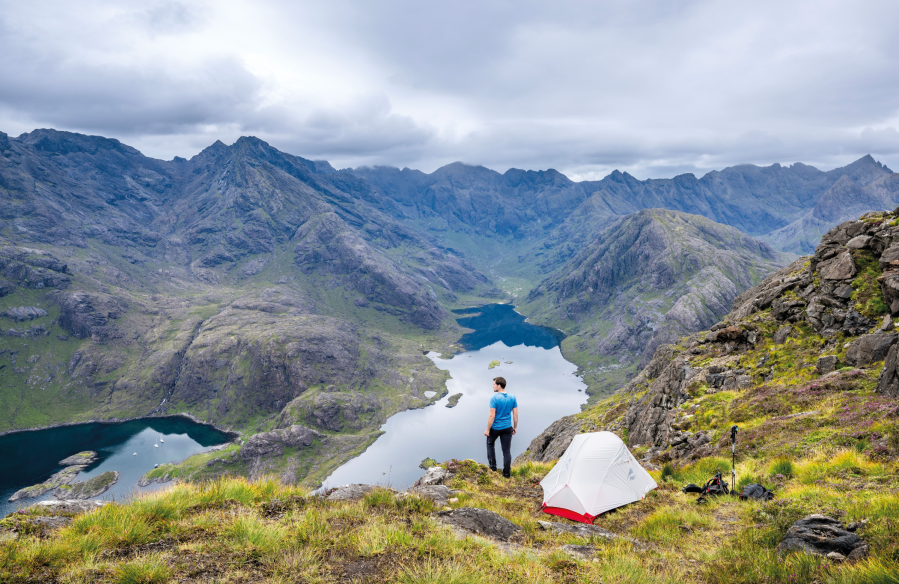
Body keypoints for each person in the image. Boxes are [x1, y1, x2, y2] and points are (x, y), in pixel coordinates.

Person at [484, 376, 518, 478]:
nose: (492, 385)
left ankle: (493, 468)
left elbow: (492, 416)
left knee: (490, 444)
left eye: (494, 384)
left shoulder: (494, 398)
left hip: (495, 428)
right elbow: (515, 415)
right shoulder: (512, 397)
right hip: (507, 428)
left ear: (499, 386)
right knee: (506, 451)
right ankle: (507, 474)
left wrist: (487, 429)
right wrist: (515, 427)